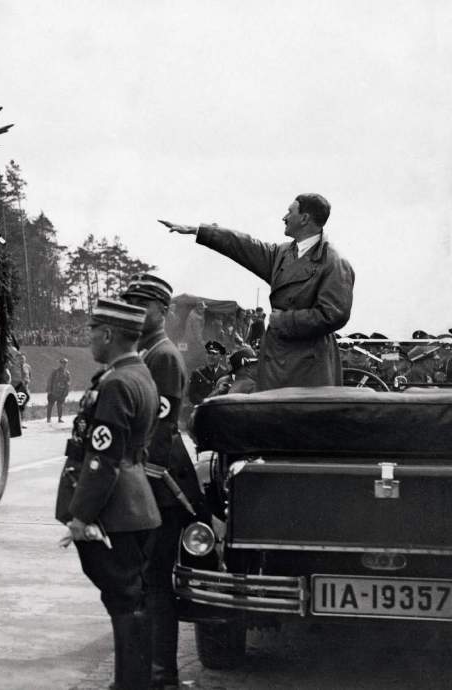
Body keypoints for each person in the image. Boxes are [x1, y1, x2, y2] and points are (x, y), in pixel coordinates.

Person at [55, 298, 161, 690]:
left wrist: (82, 515)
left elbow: (103, 457)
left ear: (109, 334)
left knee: (124, 602)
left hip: (116, 509)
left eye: (92, 331)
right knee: (129, 600)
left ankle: (131, 684)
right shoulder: (140, 374)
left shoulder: (116, 383)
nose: (89, 339)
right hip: (136, 503)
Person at [161, 193, 355, 390]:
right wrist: (202, 231)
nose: (284, 217)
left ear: (305, 218)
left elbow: (334, 315)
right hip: (276, 358)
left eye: (290, 211)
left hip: (310, 365)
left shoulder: (333, 262)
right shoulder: (283, 254)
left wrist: (283, 321)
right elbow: (244, 245)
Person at [122, 273, 206, 690]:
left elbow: (162, 423)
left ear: (162, 311)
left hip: (162, 484)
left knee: (155, 583)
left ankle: (163, 676)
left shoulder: (163, 356)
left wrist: (141, 481)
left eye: (144, 305)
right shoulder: (145, 351)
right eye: (131, 303)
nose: (136, 311)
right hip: (148, 479)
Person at [187, 341, 228, 406]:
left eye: (214, 354)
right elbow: (192, 394)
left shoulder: (226, 374)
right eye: (209, 353)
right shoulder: (197, 373)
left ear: (221, 357)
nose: (211, 356)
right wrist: (204, 403)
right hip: (203, 410)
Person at [46, 357, 71, 422]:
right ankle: (48, 418)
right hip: (53, 391)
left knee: (60, 405)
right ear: (60, 363)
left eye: (65, 363)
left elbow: (68, 383)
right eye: (62, 363)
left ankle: (59, 418)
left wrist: (66, 392)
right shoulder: (55, 371)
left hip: (61, 392)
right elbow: (50, 381)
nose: (64, 364)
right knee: (50, 404)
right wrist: (49, 390)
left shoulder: (67, 373)